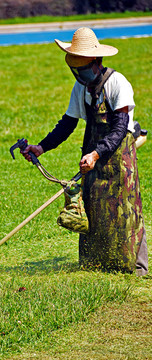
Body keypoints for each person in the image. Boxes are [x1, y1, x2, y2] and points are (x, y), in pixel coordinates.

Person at [21, 27, 148, 276]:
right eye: (75, 69)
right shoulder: (81, 88)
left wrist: (96, 153)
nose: (79, 74)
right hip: (93, 159)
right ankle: (97, 264)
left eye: (82, 68)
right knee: (95, 210)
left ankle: (135, 268)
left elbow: (121, 128)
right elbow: (68, 124)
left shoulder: (117, 83)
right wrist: (42, 146)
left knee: (125, 212)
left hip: (119, 160)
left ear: (96, 61)